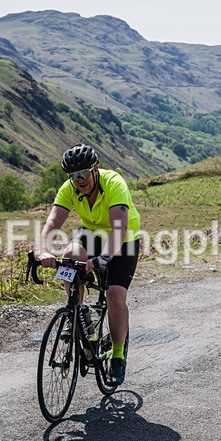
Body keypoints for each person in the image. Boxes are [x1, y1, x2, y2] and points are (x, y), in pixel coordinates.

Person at [37, 143, 141, 385]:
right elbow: (53, 222)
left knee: (115, 295)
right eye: (74, 175)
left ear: (95, 170)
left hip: (123, 239)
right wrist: (43, 250)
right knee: (70, 257)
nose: (79, 179)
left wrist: (103, 258)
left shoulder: (114, 183)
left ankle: (117, 356)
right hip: (91, 234)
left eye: (83, 173)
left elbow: (119, 228)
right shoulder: (69, 189)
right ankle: (77, 310)